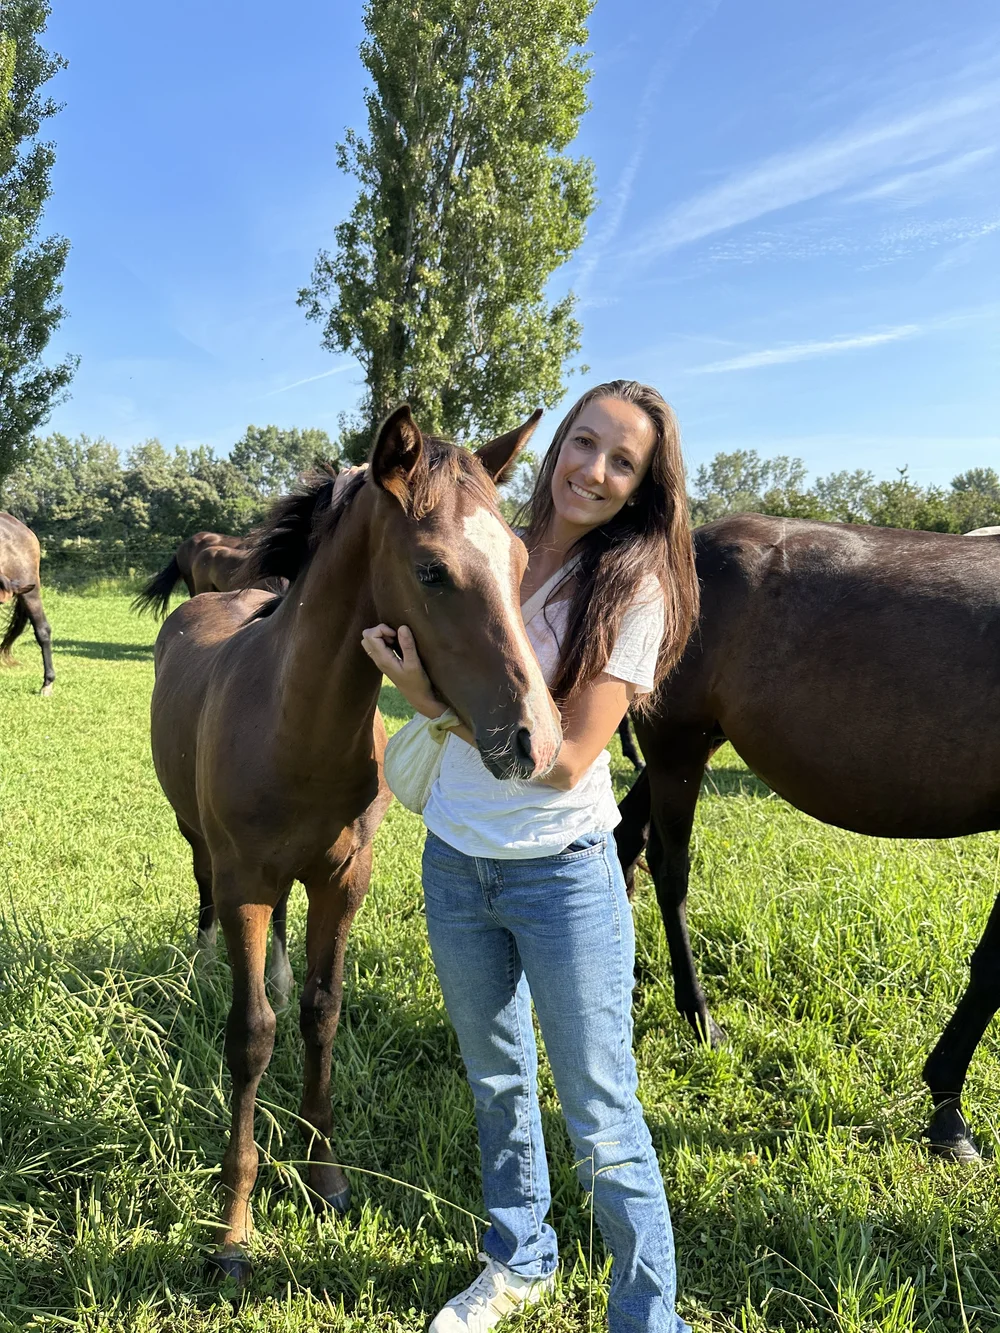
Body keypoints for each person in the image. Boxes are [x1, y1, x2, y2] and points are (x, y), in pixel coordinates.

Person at [360, 380, 699, 1333]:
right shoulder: (494, 540)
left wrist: (426, 704)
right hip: (456, 860)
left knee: (602, 1116)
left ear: (642, 486)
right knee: (496, 1082)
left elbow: (566, 759)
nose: (593, 468)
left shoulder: (635, 585)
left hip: (563, 874)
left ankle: (648, 1316)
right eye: (583, 443)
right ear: (554, 450)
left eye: (621, 460)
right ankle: (519, 1258)